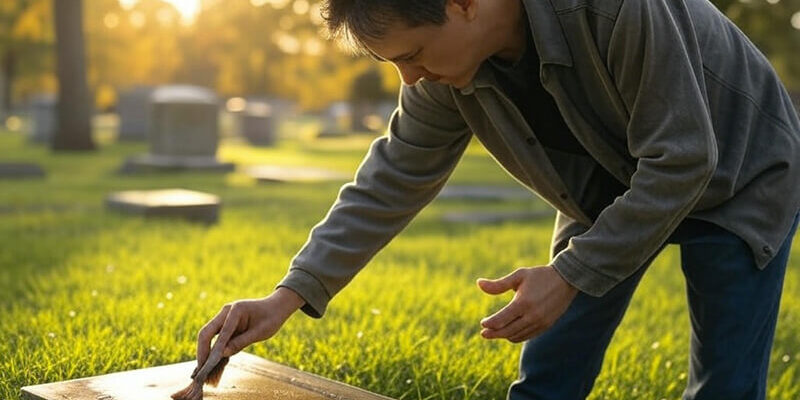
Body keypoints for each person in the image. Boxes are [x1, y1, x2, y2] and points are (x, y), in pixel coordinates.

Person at [194, 0, 800, 398]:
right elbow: (393, 176)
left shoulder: (614, 8)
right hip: (604, 188)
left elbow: (686, 159)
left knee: (724, 385)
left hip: (740, 173)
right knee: (547, 379)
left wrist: (570, 272)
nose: (408, 78)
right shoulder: (443, 73)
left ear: (464, 4)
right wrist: (287, 296)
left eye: (410, 55)